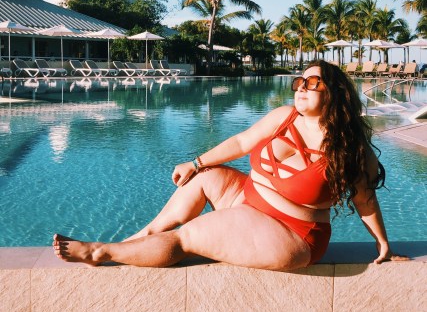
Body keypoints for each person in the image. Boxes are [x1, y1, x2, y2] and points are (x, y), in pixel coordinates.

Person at [53, 60, 406, 270]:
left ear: (334, 93)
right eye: (299, 81)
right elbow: (240, 142)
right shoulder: (284, 117)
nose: (301, 87)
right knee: (202, 179)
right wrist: (194, 162)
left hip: (291, 233)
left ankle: (102, 252)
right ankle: (141, 239)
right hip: (247, 198)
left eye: (313, 83)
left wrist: (382, 243)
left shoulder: (350, 147)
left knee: (185, 238)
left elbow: (365, 200)